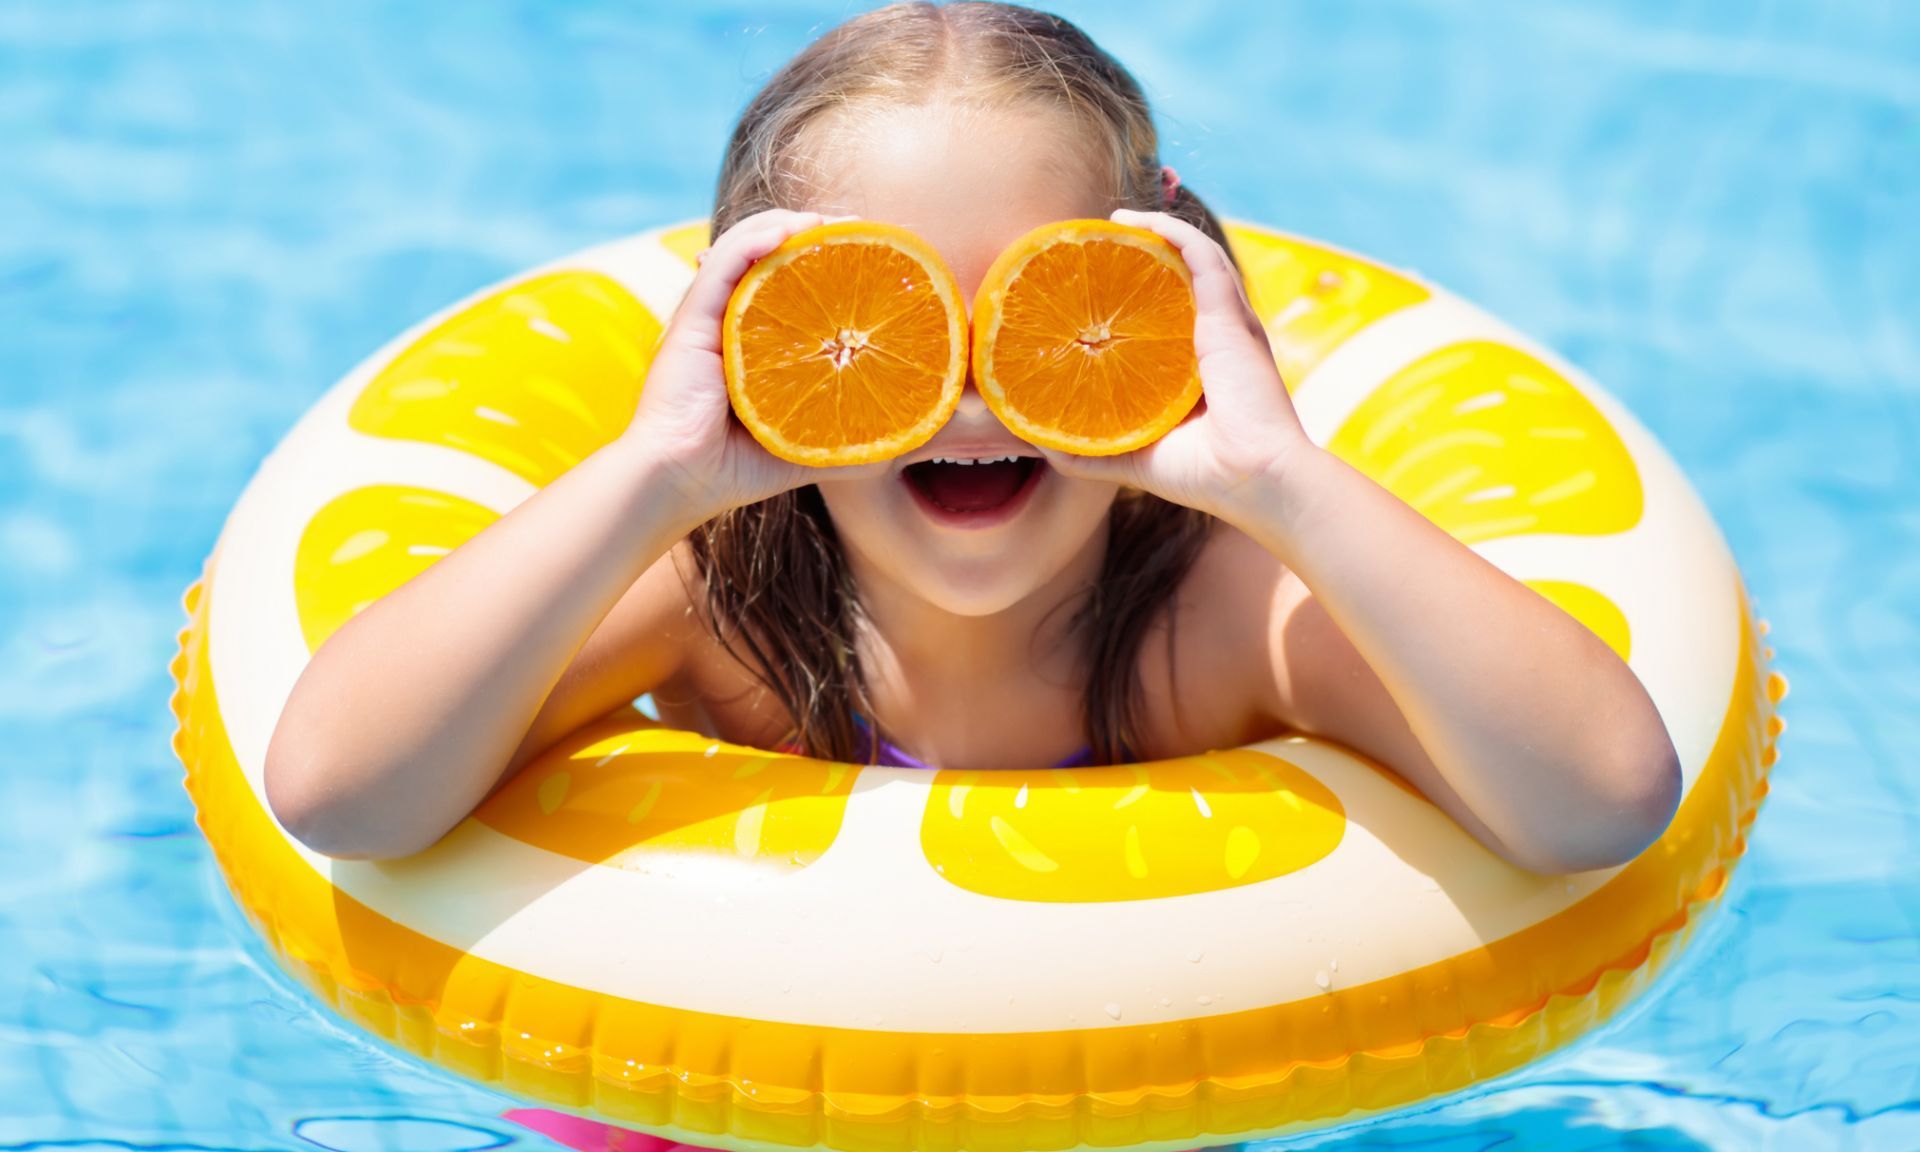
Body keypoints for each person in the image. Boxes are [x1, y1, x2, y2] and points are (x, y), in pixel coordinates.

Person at [265, 0, 1680, 928]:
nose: (967, 398)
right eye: (881, 319)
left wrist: (1287, 482)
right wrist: (653, 474)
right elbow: (345, 794)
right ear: (766, 323)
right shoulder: (724, 600)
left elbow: (1596, 806)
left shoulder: (1226, 613)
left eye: (1046, 309)